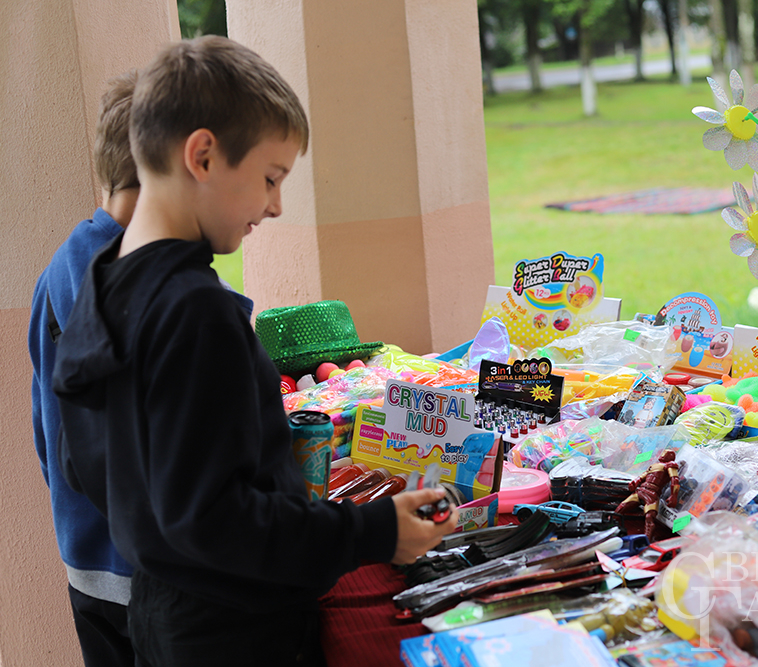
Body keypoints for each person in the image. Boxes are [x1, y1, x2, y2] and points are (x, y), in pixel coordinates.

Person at [52, 36, 456, 667]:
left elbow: (93, 470)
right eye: (270, 178)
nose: (274, 206)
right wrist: (376, 531)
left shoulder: (101, 280)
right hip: (234, 630)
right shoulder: (195, 309)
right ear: (204, 155)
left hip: (162, 611)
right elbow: (216, 520)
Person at [29, 71, 140, 667]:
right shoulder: (145, 283)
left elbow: (45, 432)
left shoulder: (56, 273)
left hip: (84, 559)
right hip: (151, 571)